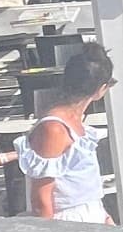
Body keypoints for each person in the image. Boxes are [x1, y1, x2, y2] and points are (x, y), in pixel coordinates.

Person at [17, 47, 115, 223]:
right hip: (68, 223)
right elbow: (41, 200)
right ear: (101, 89)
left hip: (92, 216)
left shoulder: (75, 123)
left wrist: (105, 216)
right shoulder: (53, 128)